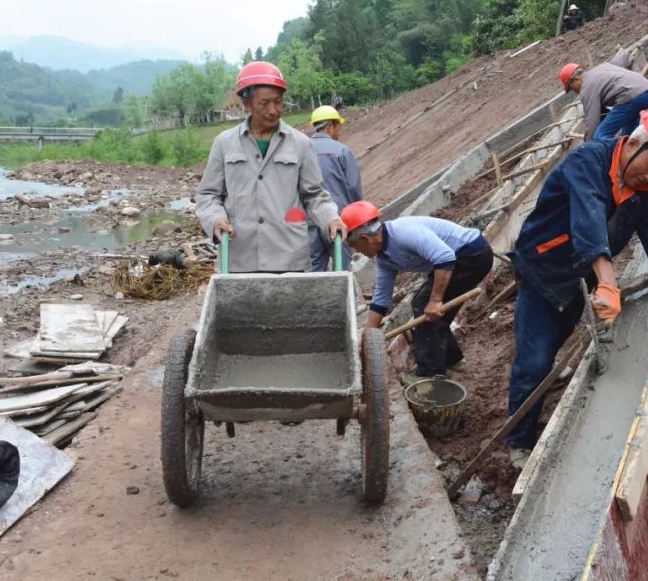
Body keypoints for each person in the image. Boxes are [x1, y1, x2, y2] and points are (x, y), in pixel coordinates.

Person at [504, 106, 648, 468]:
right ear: (634, 143)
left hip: (581, 274)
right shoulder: (587, 161)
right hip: (544, 269)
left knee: (558, 336)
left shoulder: (645, 185)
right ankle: (520, 442)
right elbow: (588, 217)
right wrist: (608, 281)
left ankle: (550, 368)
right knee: (533, 360)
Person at [196, 61, 346, 272]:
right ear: (246, 102)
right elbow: (208, 195)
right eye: (264, 103)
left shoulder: (301, 144)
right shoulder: (224, 143)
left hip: (288, 258)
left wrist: (331, 218)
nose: (273, 110)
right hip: (239, 259)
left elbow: (315, 195)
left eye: (278, 102)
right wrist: (215, 220)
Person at [342, 201, 493, 383]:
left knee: (425, 307)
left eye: (354, 245)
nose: (356, 251)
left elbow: (445, 257)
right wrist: (367, 338)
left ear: (365, 238)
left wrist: (436, 300)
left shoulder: (404, 233)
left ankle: (430, 375)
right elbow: (381, 300)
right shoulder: (384, 257)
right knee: (424, 307)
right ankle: (452, 360)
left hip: (471, 255)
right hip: (454, 261)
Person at [559, 49, 648, 142]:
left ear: (576, 79)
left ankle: (611, 157)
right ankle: (632, 154)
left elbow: (591, 122)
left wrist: (587, 147)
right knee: (628, 136)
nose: (575, 92)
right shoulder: (603, 67)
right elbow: (626, 57)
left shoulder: (587, 88)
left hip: (632, 99)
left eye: (572, 88)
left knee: (600, 136)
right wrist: (637, 80)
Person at [308, 105, 362, 271]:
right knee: (343, 271)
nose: (339, 132)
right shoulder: (341, 151)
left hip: (309, 222)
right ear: (330, 126)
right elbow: (353, 188)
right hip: (339, 222)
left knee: (312, 274)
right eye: (338, 127)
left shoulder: (301, 150)